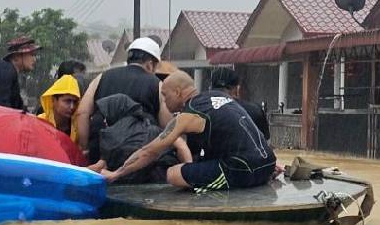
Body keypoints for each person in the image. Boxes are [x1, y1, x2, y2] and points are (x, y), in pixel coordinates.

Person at [103, 71, 278, 192]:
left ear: (178, 92)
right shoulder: (219, 97)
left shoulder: (190, 114)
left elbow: (149, 151)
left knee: (174, 174)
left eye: (165, 96)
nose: (164, 101)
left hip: (245, 170)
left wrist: (116, 174)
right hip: (268, 164)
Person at [74, 37, 173, 164]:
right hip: (139, 157)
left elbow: (82, 113)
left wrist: (85, 147)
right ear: (149, 64)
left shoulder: (102, 77)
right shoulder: (157, 84)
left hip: (100, 153)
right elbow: (167, 125)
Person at [208, 66, 270, 141]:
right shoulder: (255, 111)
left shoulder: (200, 110)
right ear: (237, 89)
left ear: (210, 88)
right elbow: (265, 143)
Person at [36, 74, 82, 146]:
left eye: (75, 102)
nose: (72, 107)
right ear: (54, 100)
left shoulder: (79, 126)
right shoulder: (40, 122)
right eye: (67, 101)